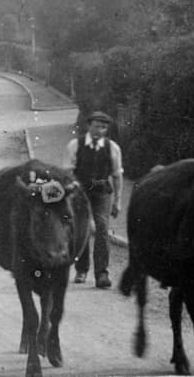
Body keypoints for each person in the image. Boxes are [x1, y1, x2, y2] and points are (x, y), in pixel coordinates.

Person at [66, 111, 123, 288]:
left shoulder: (112, 147)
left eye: (104, 127)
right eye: (97, 126)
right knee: (81, 229)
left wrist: (117, 201)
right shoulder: (75, 145)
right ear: (89, 126)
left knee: (102, 228)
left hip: (102, 193)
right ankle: (82, 270)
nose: (100, 130)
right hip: (81, 192)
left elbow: (117, 176)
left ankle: (101, 274)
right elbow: (68, 171)